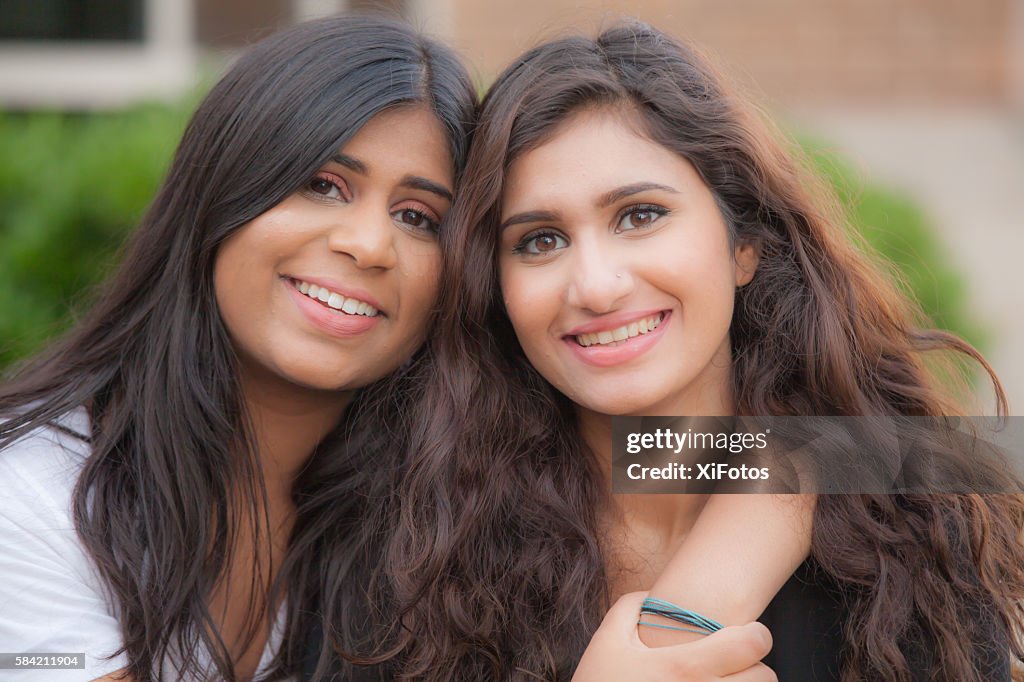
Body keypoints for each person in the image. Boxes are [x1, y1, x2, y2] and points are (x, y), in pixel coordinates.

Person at [349, 21, 1024, 681]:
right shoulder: (427, 541)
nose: (596, 285)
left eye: (640, 215)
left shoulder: (911, 521)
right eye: (540, 240)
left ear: (743, 244)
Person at [0, 14, 476, 680]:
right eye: (322, 184)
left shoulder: (440, 478)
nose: (368, 244)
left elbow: (665, 454)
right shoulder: (32, 487)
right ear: (221, 190)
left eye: (418, 218)